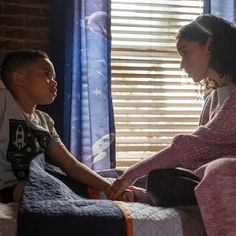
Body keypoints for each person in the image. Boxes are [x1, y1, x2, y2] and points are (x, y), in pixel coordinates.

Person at [107, 14, 236, 235]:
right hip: (211, 176)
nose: (181, 64)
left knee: (218, 170)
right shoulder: (214, 99)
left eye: (185, 51)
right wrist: (145, 194)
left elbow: (192, 147)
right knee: (156, 176)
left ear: (211, 45)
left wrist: (129, 175)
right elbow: (196, 158)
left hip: (224, 176)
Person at [0, 49, 133, 203]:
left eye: (54, 77)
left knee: (113, 176)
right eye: (46, 74)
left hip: (35, 182)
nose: (54, 82)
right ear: (19, 79)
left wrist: (110, 188)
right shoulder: (4, 103)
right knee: (45, 185)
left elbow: (71, 165)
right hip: (9, 188)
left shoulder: (46, 121)